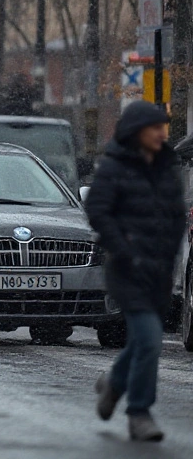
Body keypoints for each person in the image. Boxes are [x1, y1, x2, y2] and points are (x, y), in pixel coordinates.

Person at [85, 101, 186, 442]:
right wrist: (124, 247)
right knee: (150, 339)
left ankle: (113, 384)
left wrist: (170, 258)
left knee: (146, 339)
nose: (163, 133)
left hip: (159, 270)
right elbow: (97, 210)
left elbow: (175, 217)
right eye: (156, 127)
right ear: (137, 131)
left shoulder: (166, 168)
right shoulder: (115, 167)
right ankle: (139, 412)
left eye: (164, 127)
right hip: (128, 269)